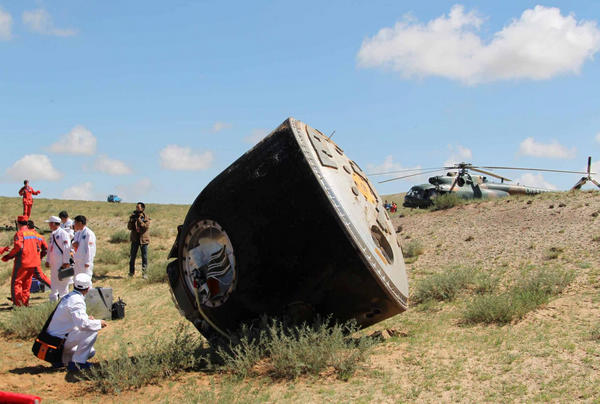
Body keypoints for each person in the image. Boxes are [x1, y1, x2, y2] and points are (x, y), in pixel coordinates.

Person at [46, 273, 107, 371]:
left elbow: (72, 318)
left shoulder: (70, 296)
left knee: (90, 352)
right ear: (88, 288)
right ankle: (77, 363)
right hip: (58, 341)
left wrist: (87, 318)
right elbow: (83, 325)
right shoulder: (77, 300)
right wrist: (99, 323)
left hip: (56, 338)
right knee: (91, 330)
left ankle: (60, 360)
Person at [2, 215, 49, 306]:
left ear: (18, 223)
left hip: (22, 262)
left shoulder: (20, 233)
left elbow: (18, 247)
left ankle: (18, 305)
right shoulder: (34, 234)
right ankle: (25, 303)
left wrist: (9, 256)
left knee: (17, 283)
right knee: (26, 285)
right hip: (33, 263)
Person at [45, 216, 73, 301]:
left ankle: (64, 301)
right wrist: (48, 260)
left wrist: (66, 262)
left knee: (62, 283)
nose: (49, 225)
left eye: (50, 223)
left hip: (61, 262)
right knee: (54, 282)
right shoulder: (53, 234)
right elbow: (50, 248)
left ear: (53, 223)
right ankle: (53, 300)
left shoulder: (63, 233)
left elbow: (66, 248)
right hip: (54, 263)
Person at [128, 202, 151, 279]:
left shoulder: (145, 217)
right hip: (135, 239)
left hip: (143, 240)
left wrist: (139, 220)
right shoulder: (133, 216)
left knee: (144, 257)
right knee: (132, 257)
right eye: (136, 207)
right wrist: (131, 220)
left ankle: (144, 274)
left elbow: (146, 227)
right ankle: (131, 272)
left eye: (138, 207)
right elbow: (129, 227)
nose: (137, 209)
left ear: (142, 208)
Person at [27, 220, 52, 290]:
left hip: (28, 260)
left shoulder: (25, 235)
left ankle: (56, 289)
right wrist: (40, 256)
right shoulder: (40, 237)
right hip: (34, 260)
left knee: (40, 276)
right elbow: (46, 249)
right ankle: (19, 295)